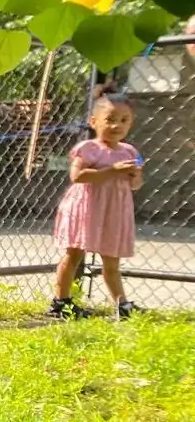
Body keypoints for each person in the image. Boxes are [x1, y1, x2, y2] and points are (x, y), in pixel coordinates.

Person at [49, 83, 144, 320]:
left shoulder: (130, 152)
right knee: (73, 255)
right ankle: (61, 302)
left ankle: (122, 305)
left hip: (114, 210)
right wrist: (112, 170)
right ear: (94, 121)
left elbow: (136, 184)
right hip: (87, 208)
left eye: (124, 120)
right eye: (110, 119)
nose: (116, 126)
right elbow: (77, 176)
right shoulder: (88, 148)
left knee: (112, 261)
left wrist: (134, 175)